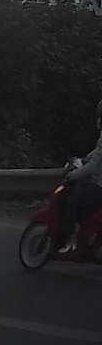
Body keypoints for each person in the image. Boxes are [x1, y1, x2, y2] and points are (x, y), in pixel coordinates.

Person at [59, 98, 102, 253]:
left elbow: (91, 167)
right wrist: (81, 160)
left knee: (73, 198)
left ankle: (72, 238)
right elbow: (95, 155)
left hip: (99, 185)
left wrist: (73, 175)